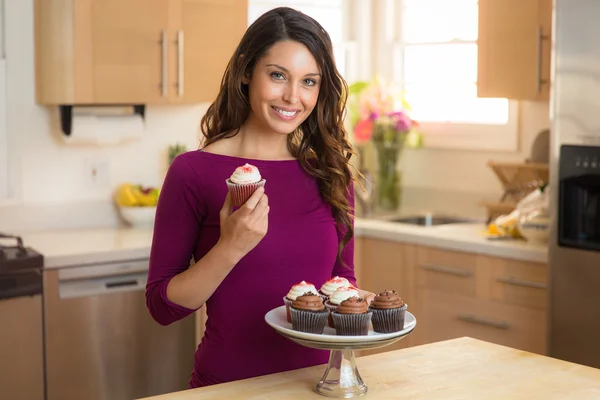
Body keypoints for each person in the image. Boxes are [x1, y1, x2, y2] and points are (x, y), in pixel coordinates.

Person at [145, 6, 368, 388]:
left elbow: (342, 284)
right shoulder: (193, 172)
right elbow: (162, 307)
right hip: (228, 389)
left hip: (319, 388)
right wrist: (230, 246)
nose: (293, 97)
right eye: (278, 75)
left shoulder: (330, 174)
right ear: (248, 71)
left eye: (309, 82)